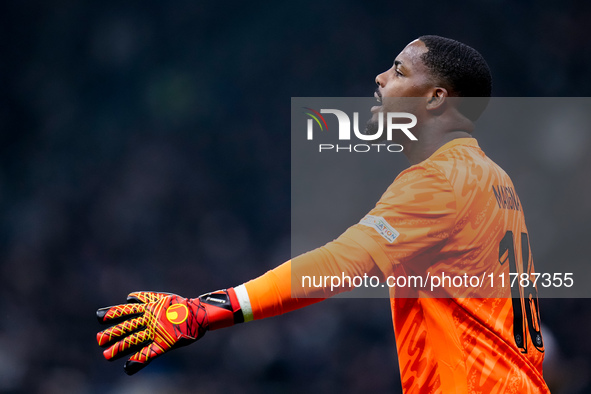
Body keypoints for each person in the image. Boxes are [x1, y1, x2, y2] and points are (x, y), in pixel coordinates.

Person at [96, 35, 550, 393]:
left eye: (397, 70)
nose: (379, 77)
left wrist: (206, 310)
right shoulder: (494, 178)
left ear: (434, 99)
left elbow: (341, 263)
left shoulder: (440, 180)